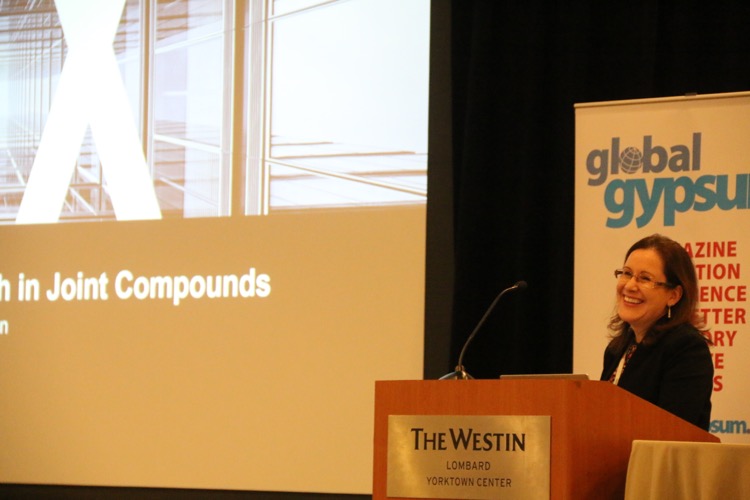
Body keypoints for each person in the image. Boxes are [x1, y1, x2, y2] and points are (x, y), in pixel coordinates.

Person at [600, 234, 713, 430]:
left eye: (645, 278)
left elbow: (673, 430)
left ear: (673, 295)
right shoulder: (616, 349)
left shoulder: (686, 348)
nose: (629, 286)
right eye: (626, 273)